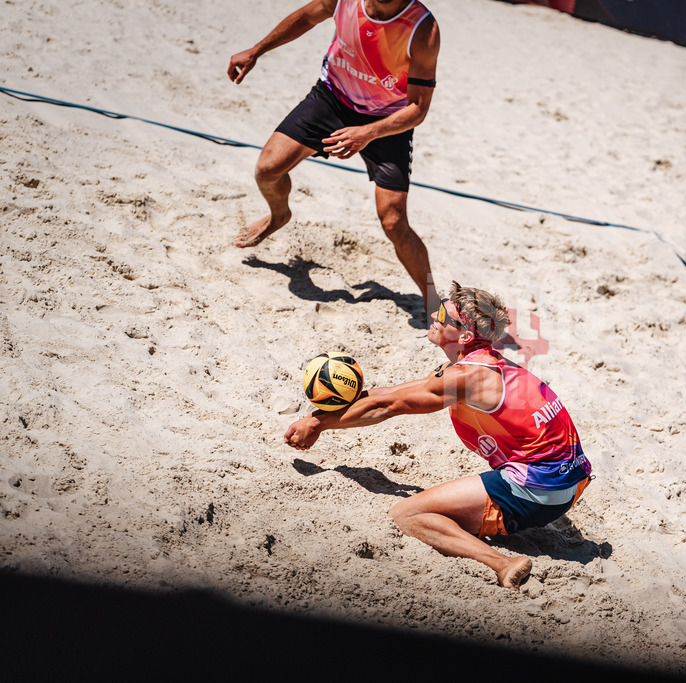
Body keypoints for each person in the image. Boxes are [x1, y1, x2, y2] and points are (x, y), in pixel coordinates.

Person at [284, 282, 594, 590]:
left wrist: (319, 424)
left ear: (464, 335)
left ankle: (501, 564)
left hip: (541, 490)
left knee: (408, 514)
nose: (434, 315)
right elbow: (395, 393)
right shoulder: (476, 363)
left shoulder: (469, 377)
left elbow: (390, 406)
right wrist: (317, 419)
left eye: (442, 315)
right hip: (572, 478)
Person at [228, 0, 440, 317]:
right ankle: (278, 216)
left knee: (394, 222)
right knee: (268, 169)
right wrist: (256, 50)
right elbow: (304, 18)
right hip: (333, 98)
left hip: (388, 122)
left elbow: (418, 109)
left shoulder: (422, 28)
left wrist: (366, 133)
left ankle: (434, 303)